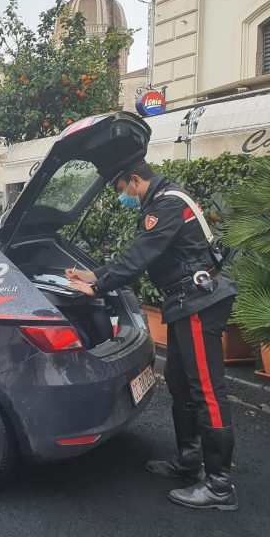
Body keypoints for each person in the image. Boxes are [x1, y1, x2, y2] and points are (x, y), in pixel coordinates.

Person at [67, 160, 239, 511]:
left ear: (134, 180)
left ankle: (220, 485)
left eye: (122, 192)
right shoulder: (163, 200)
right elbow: (140, 254)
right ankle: (189, 460)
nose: (123, 199)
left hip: (197, 303)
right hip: (185, 303)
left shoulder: (167, 203)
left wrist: (98, 285)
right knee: (179, 382)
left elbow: (140, 256)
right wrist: (93, 274)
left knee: (207, 391)